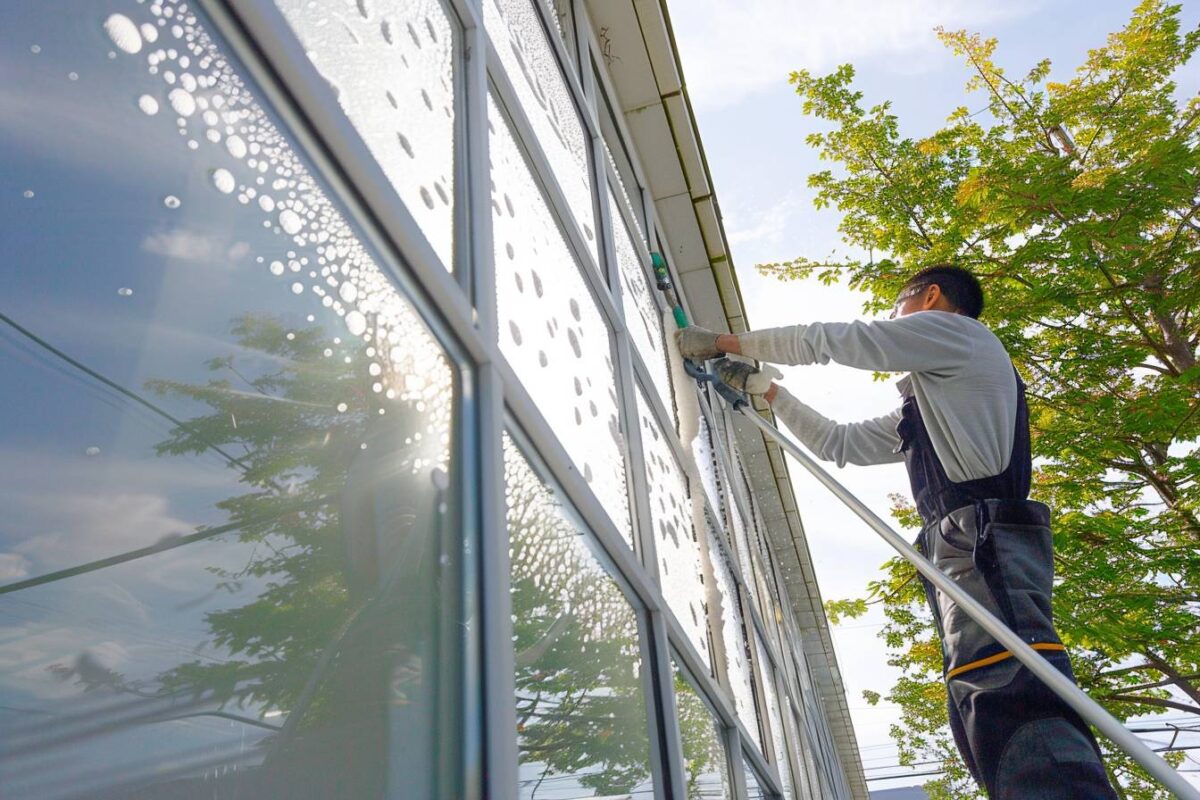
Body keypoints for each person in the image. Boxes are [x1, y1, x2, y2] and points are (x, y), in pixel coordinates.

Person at [676, 265, 1117, 799]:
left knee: (1011, 691)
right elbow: (841, 444)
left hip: (985, 544)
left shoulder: (962, 334)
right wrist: (764, 389)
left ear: (930, 297)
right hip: (964, 546)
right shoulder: (932, 404)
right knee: (981, 704)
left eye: (897, 306)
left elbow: (840, 341)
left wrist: (724, 342)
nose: (892, 321)